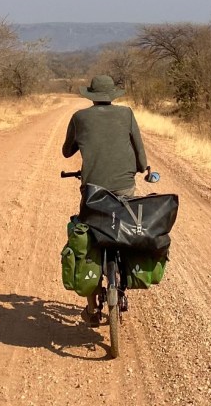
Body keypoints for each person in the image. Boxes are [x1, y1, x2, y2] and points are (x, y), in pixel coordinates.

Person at [62, 74, 148, 325]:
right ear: (112, 95)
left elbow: (67, 151)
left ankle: (91, 307)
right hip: (125, 186)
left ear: (91, 96)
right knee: (125, 225)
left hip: (93, 190)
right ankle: (125, 270)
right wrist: (143, 167)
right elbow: (139, 149)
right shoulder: (126, 114)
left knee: (89, 237)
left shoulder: (80, 117)